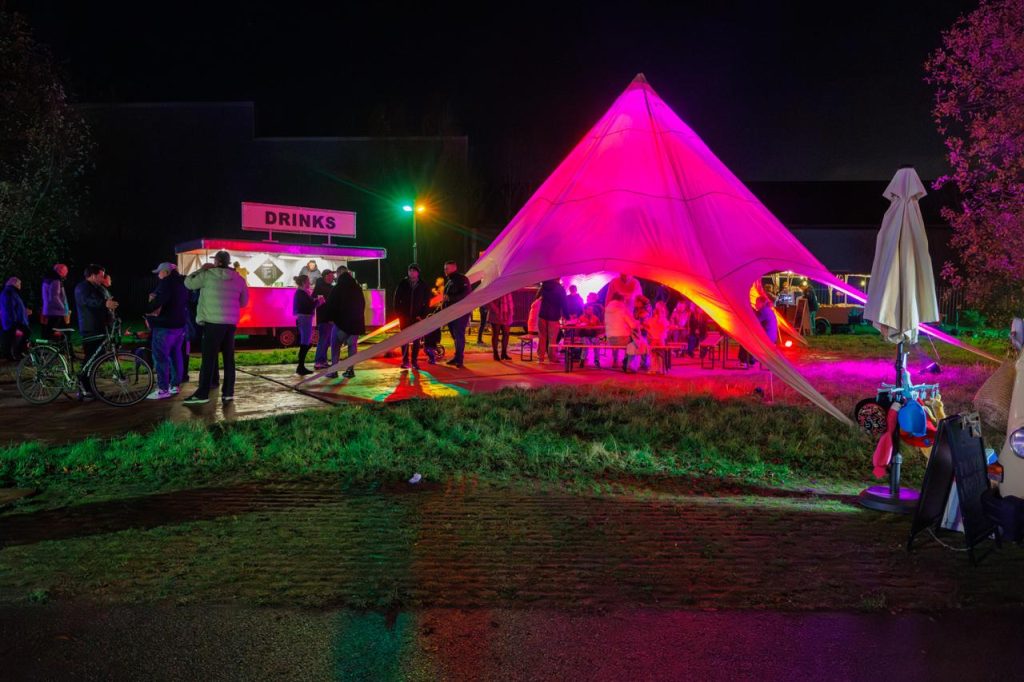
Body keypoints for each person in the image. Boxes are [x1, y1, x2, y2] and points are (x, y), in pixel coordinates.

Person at [182, 250, 249, 405]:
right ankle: (228, 393)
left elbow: (188, 283)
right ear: (229, 262)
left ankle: (202, 393)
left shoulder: (207, 275)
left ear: (217, 262)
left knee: (208, 359)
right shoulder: (239, 279)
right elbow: (244, 302)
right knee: (229, 359)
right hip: (230, 324)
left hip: (212, 323)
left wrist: (201, 269)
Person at [145, 262, 189, 399]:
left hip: (164, 325)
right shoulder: (183, 283)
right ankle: (175, 385)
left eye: (160, 272)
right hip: (179, 325)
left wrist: (148, 308)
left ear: (166, 272)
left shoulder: (166, 283)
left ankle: (163, 389)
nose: (158, 275)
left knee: (160, 358)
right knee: (176, 356)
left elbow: (159, 301)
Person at [75, 264, 119, 394]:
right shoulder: (82, 287)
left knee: (96, 357)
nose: (103, 278)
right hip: (90, 327)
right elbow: (88, 301)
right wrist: (105, 303)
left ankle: (88, 387)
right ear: (93, 276)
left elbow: (104, 299)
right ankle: (83, 385)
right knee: (91, 357)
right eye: (101, 276)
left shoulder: (96, 287)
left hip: (99, 326)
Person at [322, 266, 364, 378]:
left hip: (341, 324)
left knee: (335, 345)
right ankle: (350, 370)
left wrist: (330, 318)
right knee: (352, 346)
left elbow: (331, 304)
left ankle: (334, 371)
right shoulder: (357, 287)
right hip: (355, 324)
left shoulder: (338, 287)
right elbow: (362, 304)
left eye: (336, 274)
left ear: (340, 273)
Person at [393, 264, 430, 369]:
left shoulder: (423, 285)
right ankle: (405, 361)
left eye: (414, 271)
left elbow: (426, 302)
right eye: (410, 271)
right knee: (404, 339)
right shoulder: (403, 283)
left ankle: (414, 361)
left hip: (417, 317)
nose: (411, 273)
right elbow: (396, 299)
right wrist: (399, 314)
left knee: (416, 340)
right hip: (404, 317)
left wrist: (422, 315)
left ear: (418, 272)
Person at [442, 260, 471, 368]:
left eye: (447, 268)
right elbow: (446, 298)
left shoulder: (462, 279)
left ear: (454, 268)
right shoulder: (449, 281)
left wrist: (450, 298)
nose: (445, 270)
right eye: (445, 268)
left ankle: (459, 359)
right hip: (450, 313)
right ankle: (457, 357)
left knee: (459, 335)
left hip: (460, 313)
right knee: (455, 336)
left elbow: (465, 295)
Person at [292, 274, 322, 376]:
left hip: (304, 318)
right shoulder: (301, 293)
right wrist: (318, 301)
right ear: (303, 282)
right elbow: (308, 306)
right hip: (304, 318)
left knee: (305, 342)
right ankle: (301, 367)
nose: (309, 283)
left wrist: (315, 301)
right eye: (308, 281)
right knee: (305, 342)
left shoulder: (302, 293)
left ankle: (301, 366)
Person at [604, 292, 638, 372]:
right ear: (621, 300)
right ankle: (628, 364)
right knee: (635, 343)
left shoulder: (607, 310)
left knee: (630, 343)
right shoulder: (622, 309)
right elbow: (633, 325)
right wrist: (637, 322)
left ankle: (618, 361)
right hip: (622, 337)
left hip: (609, 338)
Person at [0, 277, 31, 360]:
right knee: (11, 338)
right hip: (13, 321)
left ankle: (16, 354)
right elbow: (9, 309)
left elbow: (16, 307)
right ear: (15, 283)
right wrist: (15, 324)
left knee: (21, 335)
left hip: (14, 321)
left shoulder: (12, 292)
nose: (20, 285)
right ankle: (14, 354)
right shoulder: (9, 292)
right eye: (19, 283)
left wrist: (24, 311)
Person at [537, 279, 566, 363]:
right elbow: (564, 303)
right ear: (558, 278)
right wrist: (566, 315)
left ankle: (540, 357)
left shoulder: (543, 286)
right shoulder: (560, 288)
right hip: (554, 316)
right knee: (552, 338)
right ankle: (552, 357)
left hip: (542, 314)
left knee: (542, 337)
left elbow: (537, 297)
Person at [312, 269, 336, 369]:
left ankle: (323, 360)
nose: (332, 278)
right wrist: (319, 300)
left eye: (332, 276)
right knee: (323, 339)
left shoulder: (331, 287)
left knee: (327, 341)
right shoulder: (319, 287)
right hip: (323, 317)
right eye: (329, 276)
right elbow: (313, 298)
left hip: (330, 317)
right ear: (325, 276)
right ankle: (318, 361)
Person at [39, 263, 69, 340]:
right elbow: (54, 297)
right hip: (56, 312)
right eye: (66, 271)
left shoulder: (48, 279)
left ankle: (47, 345)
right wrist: (63, 308)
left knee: (49, 331)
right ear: (60, 271)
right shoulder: (56, 280)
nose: (66, 273)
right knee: (56, 333)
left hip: (49, 310)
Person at [645, 301, 671, 374]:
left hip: (654, 339)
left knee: (653, 355)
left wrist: (649, 332)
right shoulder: (664, 320)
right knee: (660, 355)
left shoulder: (651, 320)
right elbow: (667, 328)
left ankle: (654, 369)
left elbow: (646, 326)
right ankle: (662, 369)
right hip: (661, 339)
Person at [487, 292, 514, 361]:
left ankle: (504, 353)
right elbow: (489, 300)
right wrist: (495, 309)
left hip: (506, 312)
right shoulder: (494, 288)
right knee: (496, 333)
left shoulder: (507, 287)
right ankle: (495, 353)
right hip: (496, 312)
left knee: (506, 333)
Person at [577, 303, 602, 368]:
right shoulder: (581, 318)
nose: (591, 311)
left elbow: (600, 328)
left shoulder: (595, 318)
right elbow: (577, 328)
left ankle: (596, 360)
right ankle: (582, 360)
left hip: (593, 335)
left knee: (597, 344)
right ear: (585, 310)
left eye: (591, 309)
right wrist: (582, 326)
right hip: (584, 335)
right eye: (589, 309)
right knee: (586, 344)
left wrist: (595, 327)